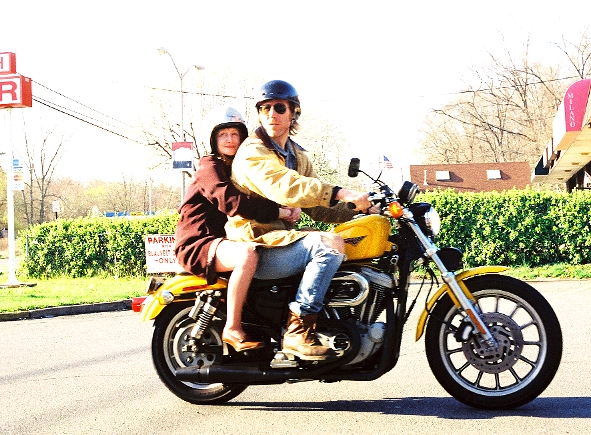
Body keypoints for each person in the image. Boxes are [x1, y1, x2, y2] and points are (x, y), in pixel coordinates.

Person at [225, 80, 373, 361]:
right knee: (328, 244)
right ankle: (297, 330)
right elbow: (285, 185)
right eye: (265, 108)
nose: (272, 114)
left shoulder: (295, 155)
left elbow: (318, 207)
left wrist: (362, 207)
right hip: (257, 243)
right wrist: (341, 192)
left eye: (279, 108)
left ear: (293, 112)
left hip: (281, 241)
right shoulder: (252, 152)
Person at [174, 106, 295, 352]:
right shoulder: (209, 166)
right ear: (213, 139)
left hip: (222, 241)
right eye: (223, 134)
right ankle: (232, 327)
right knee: (247, 254)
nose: (229, 139)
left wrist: (292, 204)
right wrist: (277, 212)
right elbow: (230, 201)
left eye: (234, 134)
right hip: (198, 243)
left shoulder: (239, 167)